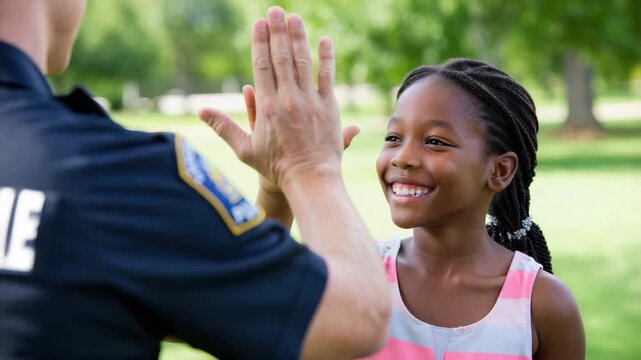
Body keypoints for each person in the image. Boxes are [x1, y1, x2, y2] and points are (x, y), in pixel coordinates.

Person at [0, 1, 390, 359]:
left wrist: (275, 198)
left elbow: (218, 304)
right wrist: (309, 166)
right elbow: (355, 316)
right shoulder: (107, 174)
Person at [247, 59, 586, 359]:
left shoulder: (543, 305)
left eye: (435, 141)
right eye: (393, 138)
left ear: (499, 170)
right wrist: (274, 190)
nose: (402, 157)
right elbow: (254, 319)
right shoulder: (360, 276)